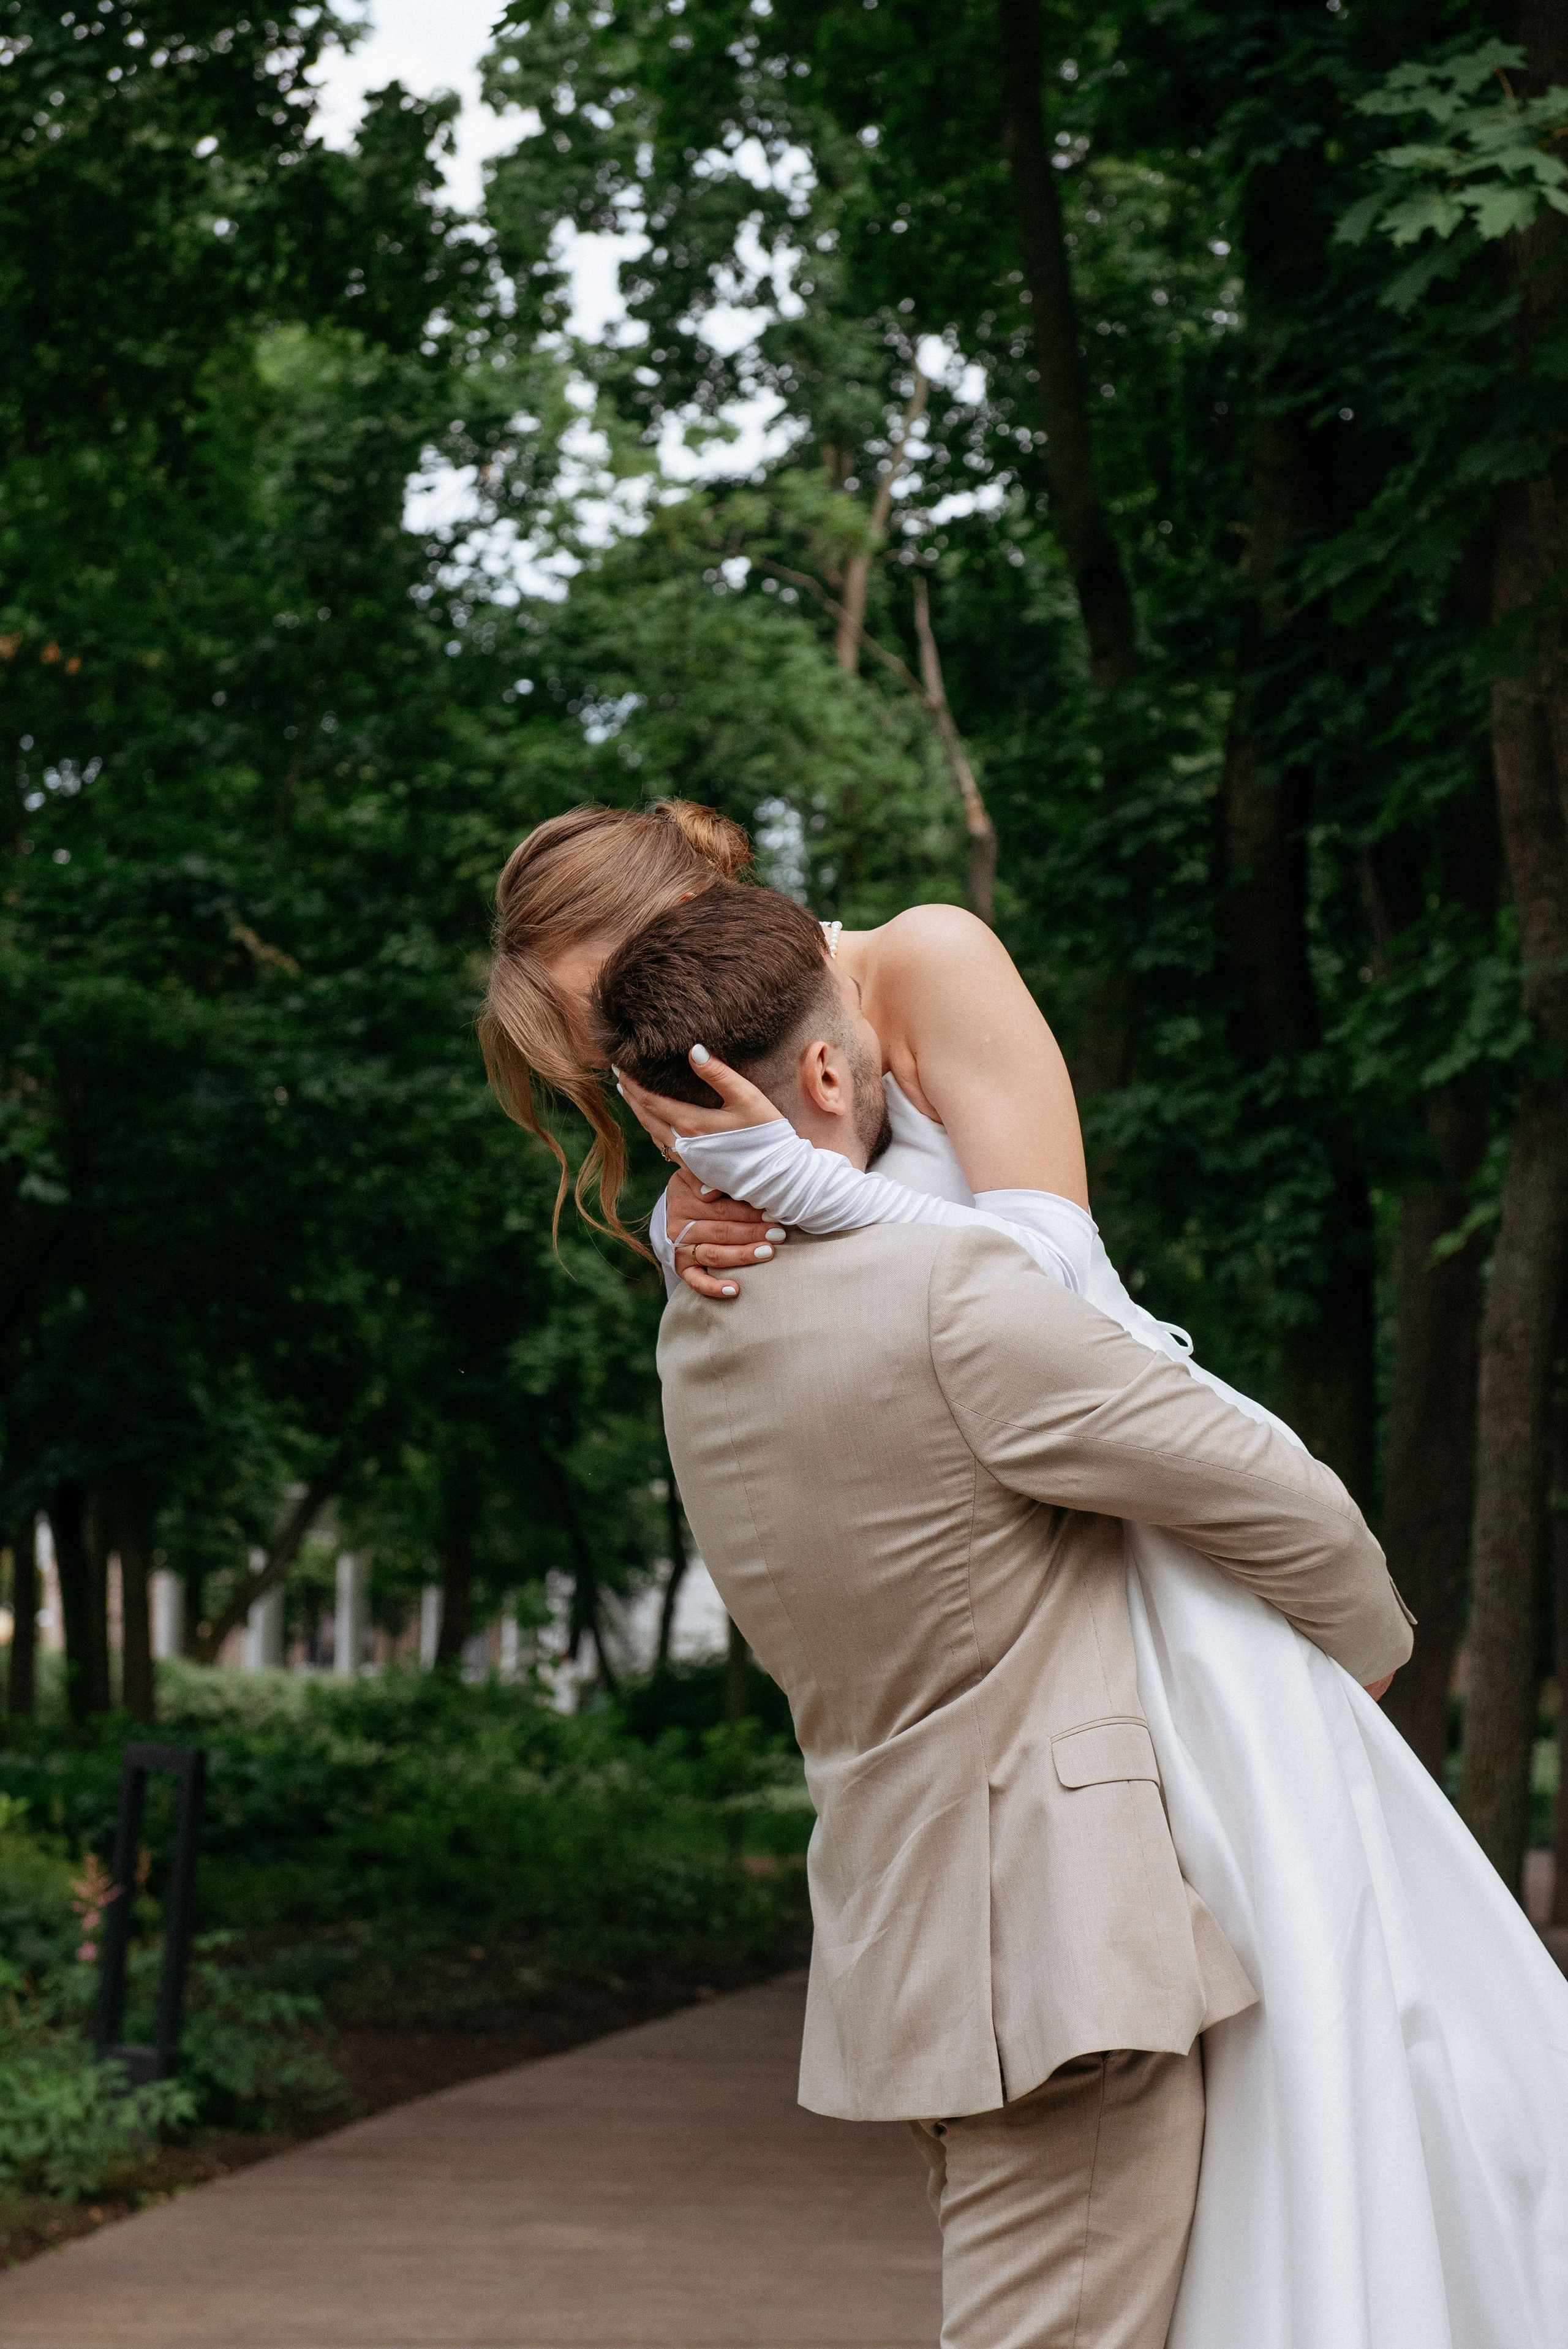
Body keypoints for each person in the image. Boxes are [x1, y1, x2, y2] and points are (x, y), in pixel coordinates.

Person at [483, 803, 1568, 2348]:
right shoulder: (734, 1132)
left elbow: (1055, 1273)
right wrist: (686, 1220)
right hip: (1047, 1618)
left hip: (1110, 1502)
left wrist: (817, 1194)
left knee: (1337, 2038)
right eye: (607, 1064)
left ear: (701, 913)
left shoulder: (925, 960)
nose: (647, 1080)